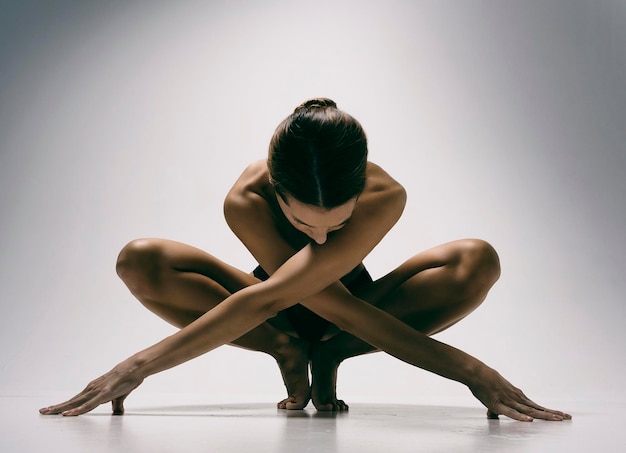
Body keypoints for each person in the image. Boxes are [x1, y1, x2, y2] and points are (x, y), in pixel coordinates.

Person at [40, 98, 570, 421]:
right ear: (276, 188)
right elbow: (271, 294)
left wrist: (474, 373)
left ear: (360, 189)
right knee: (142, 259)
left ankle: (330, 354)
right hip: (269, 309)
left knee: (476, 260)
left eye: (336, 227)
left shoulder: (386, 194)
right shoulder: (245, 200)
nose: (320, 236)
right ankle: (286, 349)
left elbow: (345, 307)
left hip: (361, 308)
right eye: (302, 224)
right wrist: (135, 368)